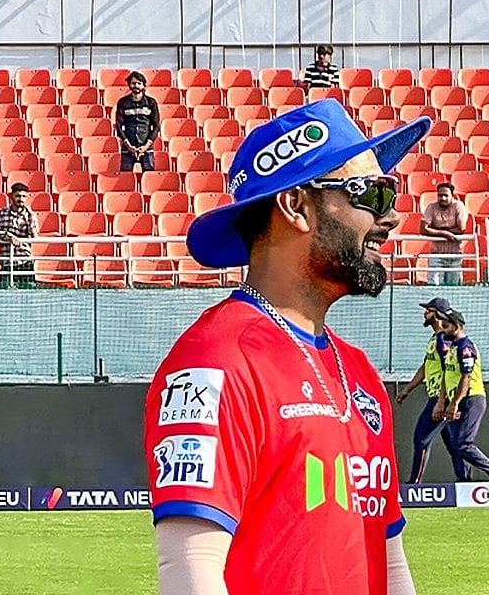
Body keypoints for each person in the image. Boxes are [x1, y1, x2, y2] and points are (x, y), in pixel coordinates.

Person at [144, 99, 431, 595]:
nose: (390, 218)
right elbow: (191, 568)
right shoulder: (215, 361)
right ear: (296, 206)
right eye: (372, 194)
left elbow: (389, 561)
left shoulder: (357, 369)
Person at [395, 297, 467, 483]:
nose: (424, 313)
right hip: (439, 397)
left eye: (428, 310)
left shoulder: (444, 339)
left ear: (437, 314)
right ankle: (465, 481)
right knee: (454, 445)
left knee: (421, 439)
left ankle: (414, 484)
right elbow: (426, 366)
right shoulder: (435, 338)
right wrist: (407, 389)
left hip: (441, 398)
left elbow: (449, 369)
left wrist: (442, 402)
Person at [436, 308, 489, 483]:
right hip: (457, 400)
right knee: (455, 444)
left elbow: (466, 377)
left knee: (462, 443)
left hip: (471, 399)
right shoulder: (452, 347)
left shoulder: (465, 347)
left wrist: (455, 403)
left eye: (446, 326)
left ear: (456, 326)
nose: (442, 329)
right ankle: (463, 480)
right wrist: (444, 400)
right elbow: (447, 376)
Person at [420, 183, 468, 285]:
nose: (443, 198)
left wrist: (436, 230)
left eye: (446, 195)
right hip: (436, 255)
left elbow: (461, 229)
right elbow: (423, 229)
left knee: (454, 288)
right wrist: (444, 233)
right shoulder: (431, 207)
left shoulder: (459, 206)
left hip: (455, 255)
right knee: (433, 286)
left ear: (452, 195)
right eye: (440, 195)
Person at [0, 182, 37, 288]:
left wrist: (30, 218)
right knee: (4, 293)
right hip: (6, 261)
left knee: (28, 293)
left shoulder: (29, 215)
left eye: (24, 196)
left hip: (25, 261)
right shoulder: (1, 213)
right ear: (12, 196)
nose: (21, 199)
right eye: (18, 196)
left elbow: (34, 235)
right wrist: (8, 236)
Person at [115, 70, 160, 172]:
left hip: (146, 145)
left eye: (139, 83)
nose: (136, 86)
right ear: (129, 85)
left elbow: (156, 126)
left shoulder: (151, 102)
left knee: (149, 175)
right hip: (128, 145)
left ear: (143, 85)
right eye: (133, 83)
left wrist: (146, 146)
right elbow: (118, 125)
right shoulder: (122, 102)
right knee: (125, 175)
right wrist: (128, 145)